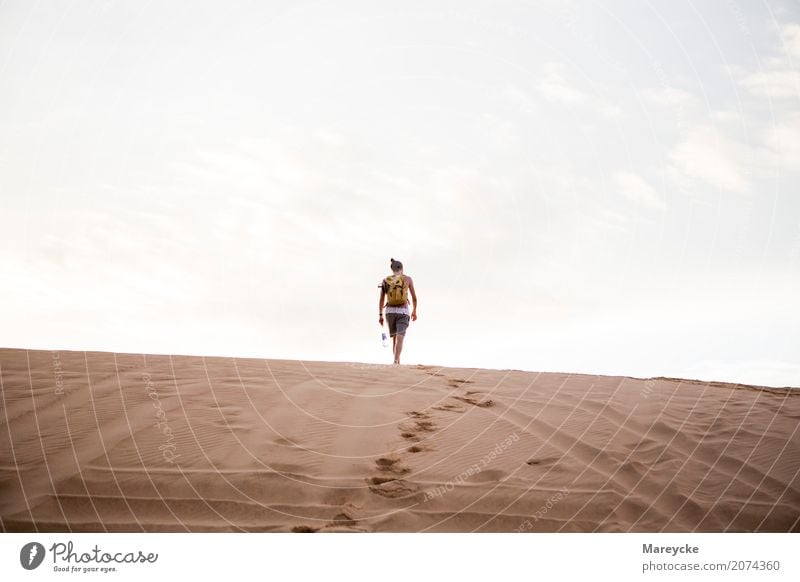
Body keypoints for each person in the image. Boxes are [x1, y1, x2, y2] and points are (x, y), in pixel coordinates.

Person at [378, 258, 418, 365]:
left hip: (390, 312)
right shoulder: (408, 279)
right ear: (402, 268)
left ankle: (396, 361)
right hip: (403, 312)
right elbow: (414, 298)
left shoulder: (386, 280)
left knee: (394, 339)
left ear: (392, 269)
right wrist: (414, 311)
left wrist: (380, 315)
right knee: (401, 337)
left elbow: (381, 299)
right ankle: (396, 361)